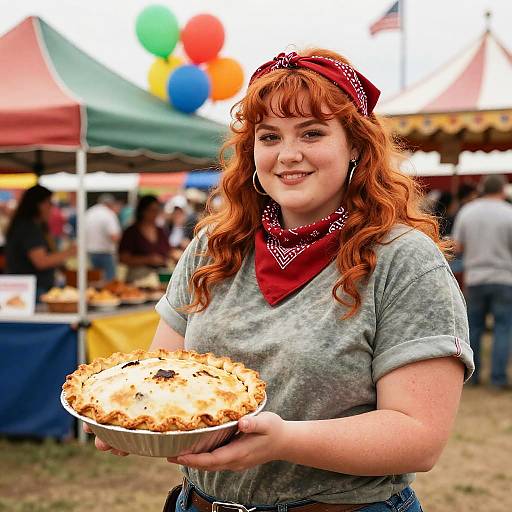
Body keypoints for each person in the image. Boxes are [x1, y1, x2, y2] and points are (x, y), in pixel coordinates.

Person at [88, 49, 474, 511]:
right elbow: (160, 376)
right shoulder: (214, 247)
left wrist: (284, 440)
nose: (288, 155)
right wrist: (132, 417)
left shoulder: (403, 260)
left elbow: (419, 436)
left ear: (355, 144)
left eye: (312, 133)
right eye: (269, 136)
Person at [452, 174, 512, 389]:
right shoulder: (509, 213)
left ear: (482, 188)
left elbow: (456, 247)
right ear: (503, 190)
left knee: (473, 328)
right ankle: (498, 380)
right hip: (505, 278)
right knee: (503, 328)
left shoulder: (468, 211)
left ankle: (472, 377)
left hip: (475, 278)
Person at [5, 185, 76, 299]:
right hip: (33, 290)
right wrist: (68, 253)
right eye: (49, 203)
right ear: (39, 205)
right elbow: (41, 261)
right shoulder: (28, 227)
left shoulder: (29, 225)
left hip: (29, 288)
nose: (51, 207)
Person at [119, 195, 170, 282]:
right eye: (152, 210)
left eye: (157, 210)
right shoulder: (131, 232)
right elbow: (123, 258)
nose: (155, 214)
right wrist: (147, 259)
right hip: (137, 277)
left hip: (159, 277)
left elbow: (168, 251)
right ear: (143, 211)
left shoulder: (161, 231)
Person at [85, 194, 121, 282]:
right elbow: (114, 236)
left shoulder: (89, 212)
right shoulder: (108, 214)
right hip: (105, 252)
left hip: (90, 251)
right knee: (110, 282)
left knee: (95, 280)